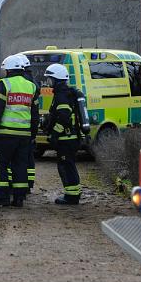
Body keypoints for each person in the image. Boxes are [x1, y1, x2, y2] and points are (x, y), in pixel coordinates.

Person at [0, 54, 39, 208]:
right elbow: (34, 114)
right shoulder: (31, 86)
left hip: (5, 134)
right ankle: (19, 199)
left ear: (8, 70)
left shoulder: (4, 84)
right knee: (20, 165)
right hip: (24, 135)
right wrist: (32, 134)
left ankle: (2, 196)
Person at [43, 63, 82, 205]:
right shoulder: (64, 93)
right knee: (67, 166)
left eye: (49, 79)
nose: (48, 82)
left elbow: (64, 116)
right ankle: (72, 194)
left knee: (67, 167)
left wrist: (54, 133)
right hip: (69, 138)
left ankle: (72, 197)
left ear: (56, 79)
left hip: (66, 139)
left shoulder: (61, 95)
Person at [18, 54, 40, 193]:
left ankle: (20, 186)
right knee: (29, 157)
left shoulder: (21, 81)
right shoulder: (33, 82)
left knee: (18, 159)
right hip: (30, 125)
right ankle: (29, 183)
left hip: (18, 128)